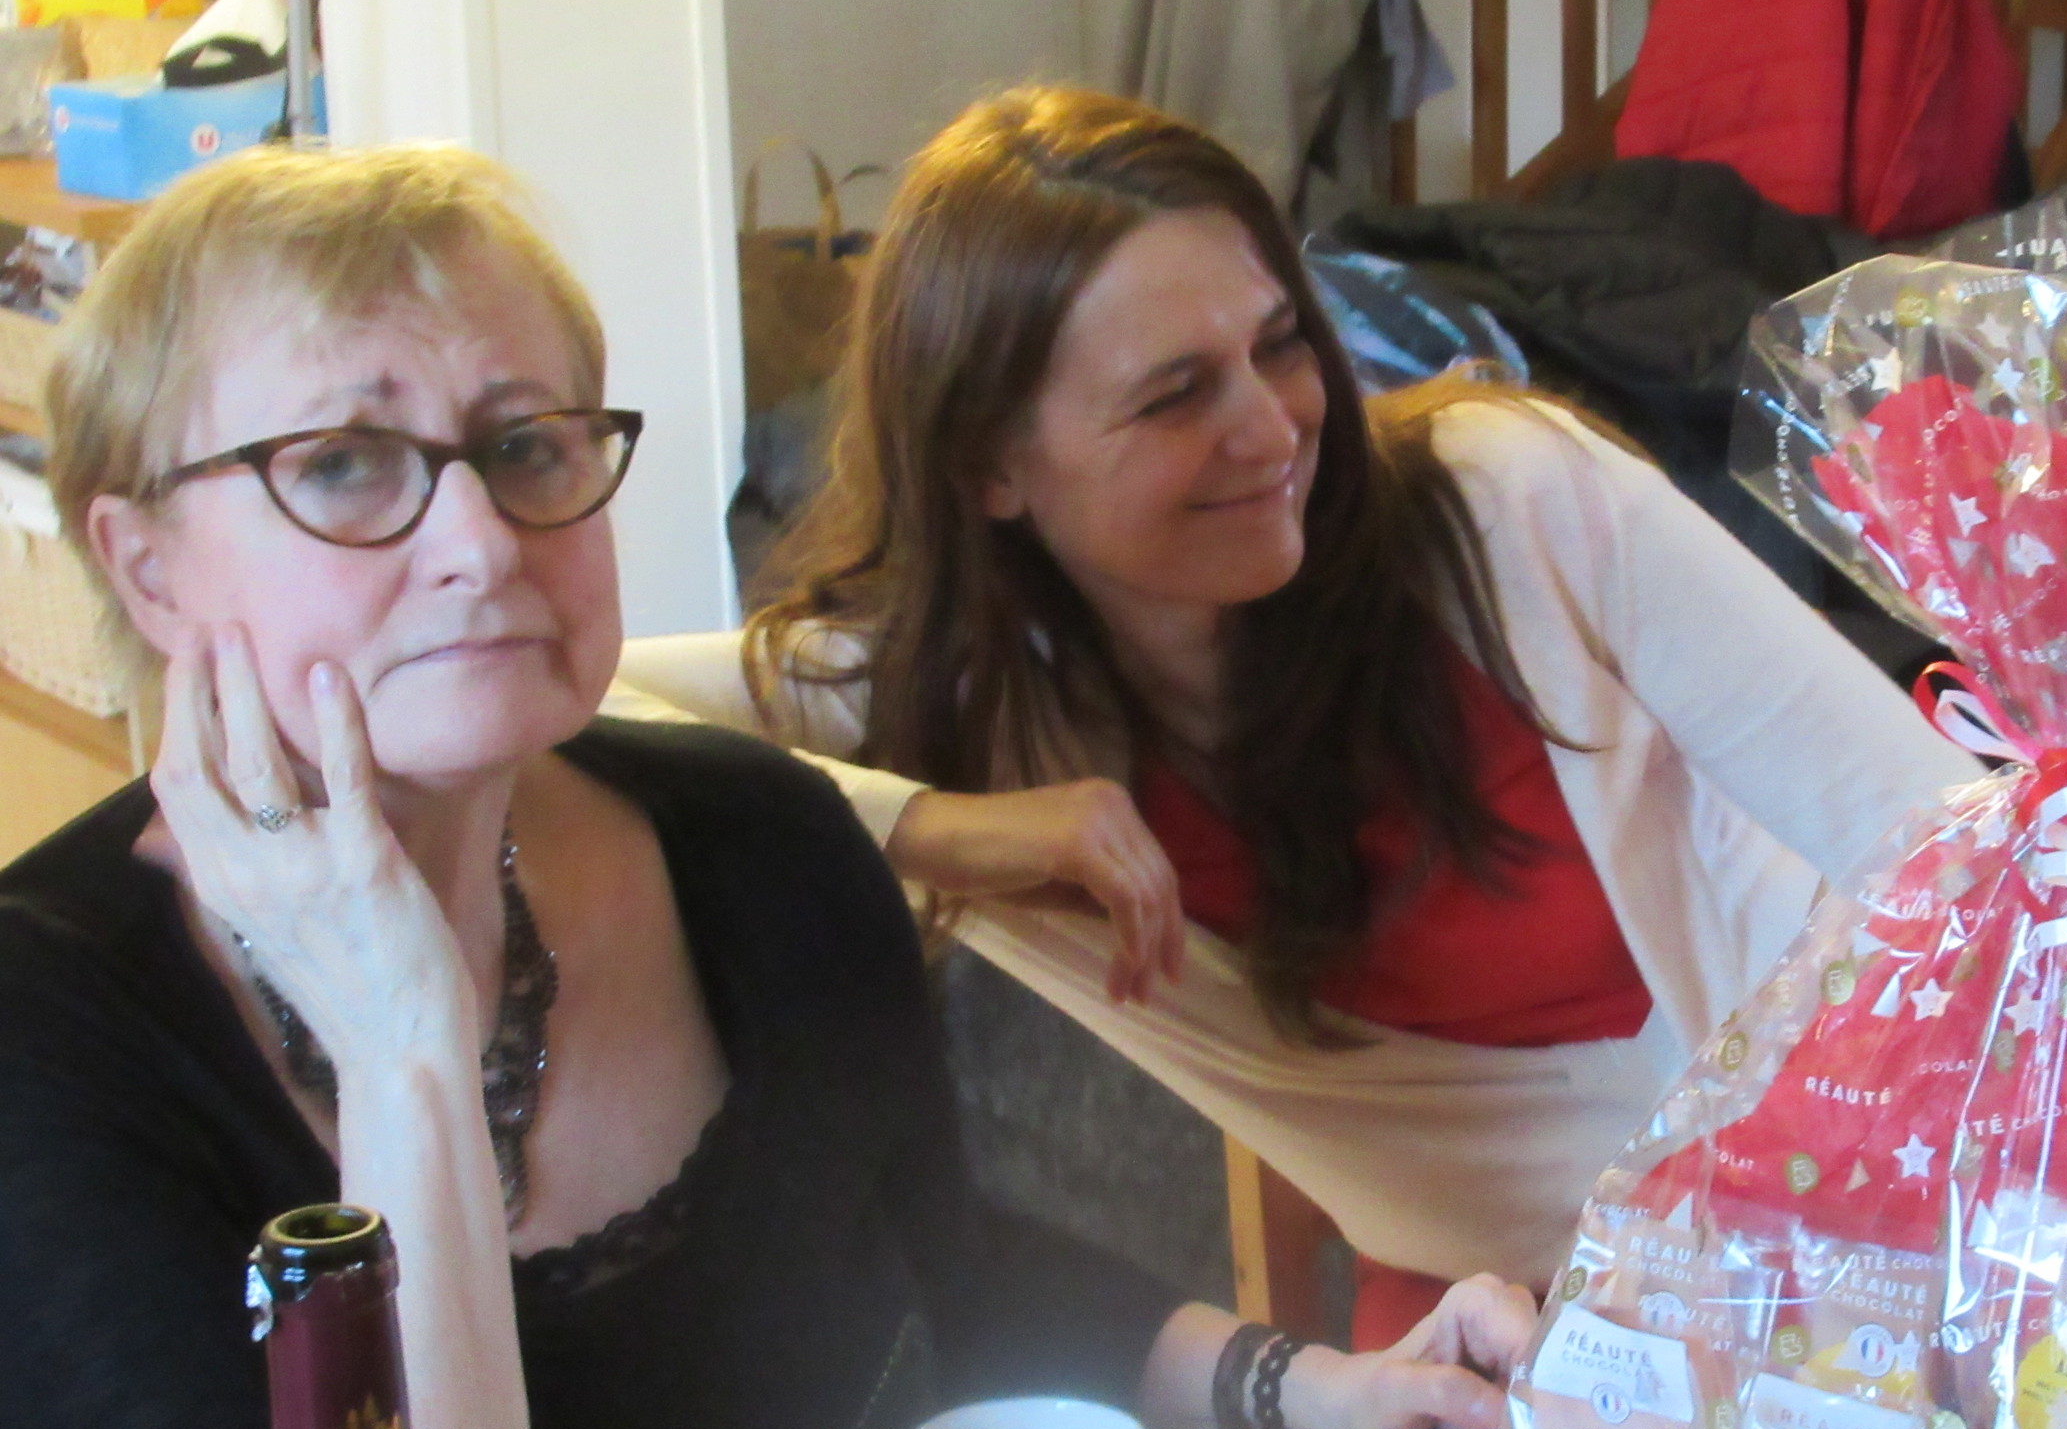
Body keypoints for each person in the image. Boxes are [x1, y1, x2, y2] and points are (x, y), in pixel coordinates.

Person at [0, 144, 1530, 1429]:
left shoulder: (759, 843)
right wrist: (405, 1056)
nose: (479, 542)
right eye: (348, 465)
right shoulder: (42, 1025)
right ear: (147, 564)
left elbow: (939, 1274)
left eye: (525, 446)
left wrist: (1320, 1390)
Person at [675, 86, 1974, 1348]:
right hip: (1490, 1318)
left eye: (1280, 343)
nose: (1273, 430)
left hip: (1851, 1228)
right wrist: (940, 831)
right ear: (989, 465)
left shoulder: (1505, 503)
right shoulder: (961, 710)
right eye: (1175, 393)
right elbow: (589, 719)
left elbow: (1957, 858)